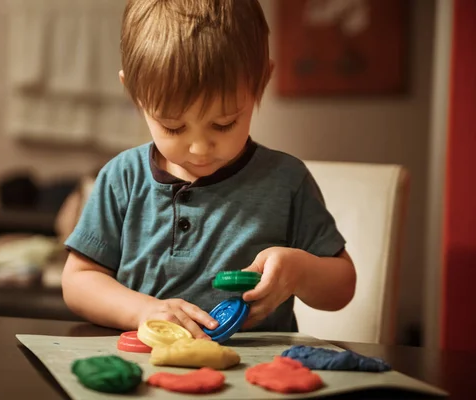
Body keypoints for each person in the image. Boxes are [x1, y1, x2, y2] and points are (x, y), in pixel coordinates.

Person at [62, 0, 356, 339]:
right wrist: (143, 310)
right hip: (142, 372)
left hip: (254, 378)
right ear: (136, 94)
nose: (199, 148)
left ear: (261, 82)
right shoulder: (121, 178)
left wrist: (300, 273)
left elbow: (342, 287)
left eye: (223, 123)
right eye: (173, 127)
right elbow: (78, 281)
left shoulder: (286, 181)